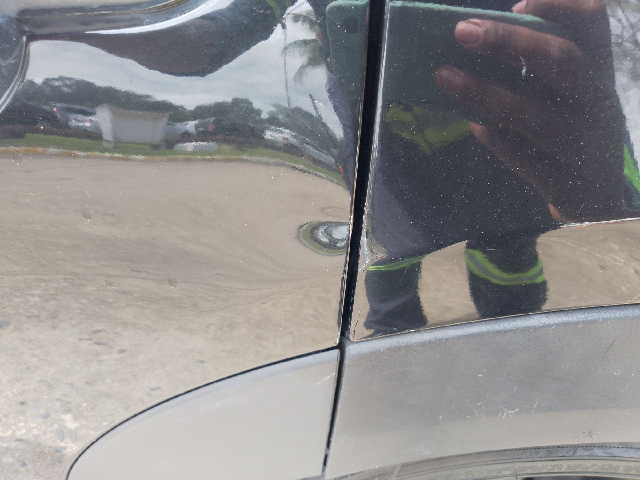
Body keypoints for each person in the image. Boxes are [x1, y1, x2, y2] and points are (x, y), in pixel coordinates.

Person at [59, 0, 639, 334]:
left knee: (507, 270)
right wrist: (95, 22)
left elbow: (208, 43)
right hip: (389, 149)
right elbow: (210, 39)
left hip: (505, 140)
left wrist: (608, 190)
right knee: (390, 281)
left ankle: (516, 353)